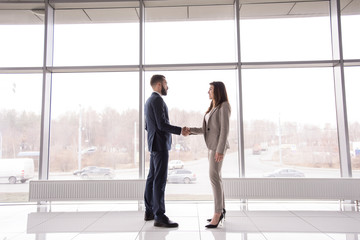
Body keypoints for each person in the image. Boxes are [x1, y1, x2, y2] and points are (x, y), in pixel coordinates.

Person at [144, 74, 190, 228]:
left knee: (152, 178)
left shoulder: (148, 101)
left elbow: (147, 126)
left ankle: (149, 211)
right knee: (160, 180)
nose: (167, 86)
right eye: (165, 83)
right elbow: (162, 124)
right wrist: (180, 131)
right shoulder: (157, 100)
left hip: (153, 144)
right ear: (158, 85)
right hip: (160, 145)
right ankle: (159, 216)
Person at [189, 81, 230, 228]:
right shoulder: (213, 107)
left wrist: (219, 150)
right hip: (211, 147)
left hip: (217, 148)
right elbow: (206, 129)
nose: (208, 92)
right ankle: (222, 209)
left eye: (211, 89)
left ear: (218, 91)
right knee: (217, 178)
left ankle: (217, 213)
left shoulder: (224, 106)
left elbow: (225, 130)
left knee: (214, 178)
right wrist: (190, 130)